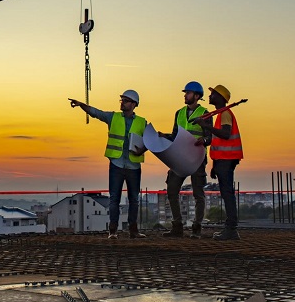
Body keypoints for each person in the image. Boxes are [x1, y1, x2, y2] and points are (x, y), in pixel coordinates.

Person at [69, 90, 148, 239]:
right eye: (122, 100)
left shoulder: (142, 122)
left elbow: (151, 141)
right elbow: (95, 112)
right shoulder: (113, 117)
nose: (122, 103)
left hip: (133, 166)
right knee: (114, 199)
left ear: (134, 104)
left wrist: (142, 149)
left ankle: (133, 230)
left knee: (134, 199)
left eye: (125, 100)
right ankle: (113, 231)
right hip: (117, 164)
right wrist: (81, 105)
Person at [158, 81, 210, 238]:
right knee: (172, 189)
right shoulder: (179, 113)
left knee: (198, 194)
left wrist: (204, 140)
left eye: (187, 93)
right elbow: (176, 135)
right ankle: (177, 226)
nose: (184, 95)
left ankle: (196, 228)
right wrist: (164, 136)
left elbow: (210, 137)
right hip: (180, 158)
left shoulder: (205, 113)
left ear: (196, 96)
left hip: (196, 159)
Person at [193, 85, 243, 241]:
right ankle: (230, 229)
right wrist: (215, 165)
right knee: (226, 193)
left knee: (227, 194)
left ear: (220, 97)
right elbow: (219, 141)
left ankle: (231, 229)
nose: (210, 96)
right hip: (223, 160)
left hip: (227, 160)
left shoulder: (225, 114)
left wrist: (205, 126)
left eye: (213, 94)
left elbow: (225, 135)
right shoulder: (221, 115)